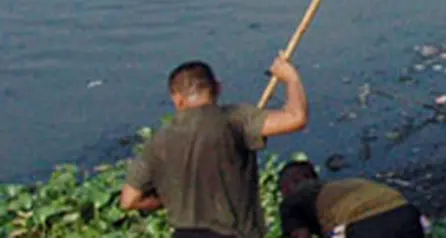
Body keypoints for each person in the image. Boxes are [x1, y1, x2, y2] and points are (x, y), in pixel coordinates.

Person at [120, 57, 310, 238]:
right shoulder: (234, 120)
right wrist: (291, 77)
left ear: (177, 99)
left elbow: (129, 200)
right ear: (217, 88)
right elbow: (296, 118)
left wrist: (163, 200)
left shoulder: (157, 142)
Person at [278, 161, 424, 238]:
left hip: (364, 226)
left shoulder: (293, 200)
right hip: (405, 213)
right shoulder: (345, 185)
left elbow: (301, 236)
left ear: (287, 186)